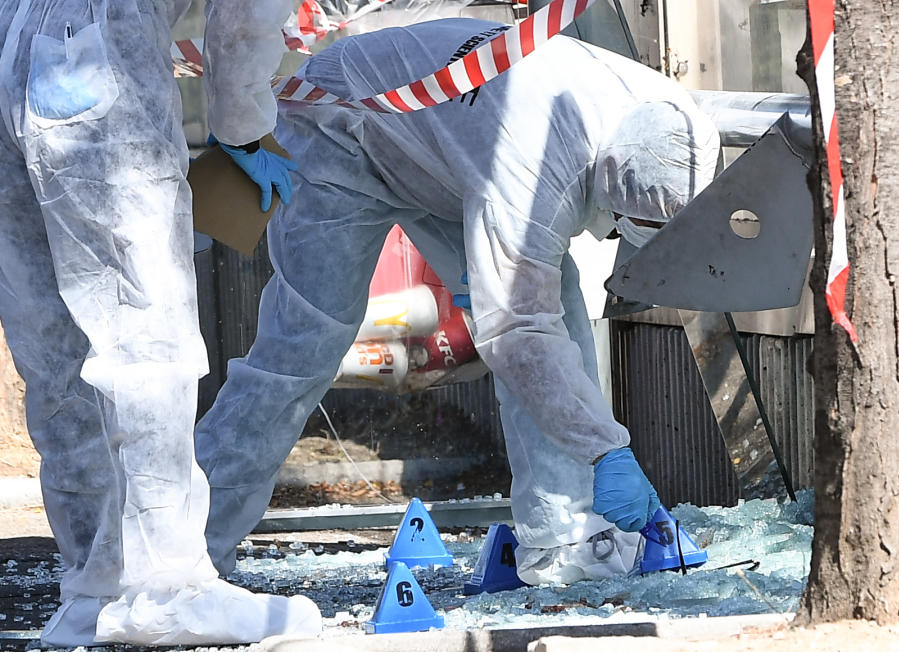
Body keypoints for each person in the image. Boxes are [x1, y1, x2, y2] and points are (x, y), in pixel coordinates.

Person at [196, 16, 720, 585]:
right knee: (302, 346)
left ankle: (568, 541)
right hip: (342, 126)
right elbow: (519, 332)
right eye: (625, 225)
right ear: (606, 179)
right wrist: (605, 450)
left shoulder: (683, 130)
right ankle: (193, 546)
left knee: (557, 308)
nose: (617, 236)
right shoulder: (538, 167)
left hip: (443, 149)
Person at [0, 0, 322, 646]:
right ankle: (167, 587)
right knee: (147, 330)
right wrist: (242, 129)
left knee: (54, 344)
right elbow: (243, 16)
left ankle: (95, 584)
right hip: (92, 52)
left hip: (8, 50)